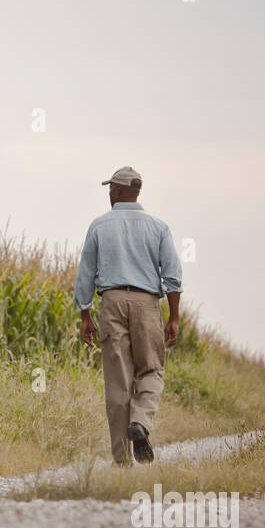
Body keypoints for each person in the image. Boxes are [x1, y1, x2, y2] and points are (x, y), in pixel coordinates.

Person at [74, 166, 182, 464]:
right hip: (147, 304)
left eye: (111, 189)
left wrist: (85, 314)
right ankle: (141, 422)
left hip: (112, 302)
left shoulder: (99, 226)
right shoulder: (158, 227)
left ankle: (122, 464)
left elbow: (85, 275)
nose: (109, 193)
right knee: (151, 370)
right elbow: (172, 276)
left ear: (119, 191)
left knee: (117, 383)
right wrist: (173, 317)